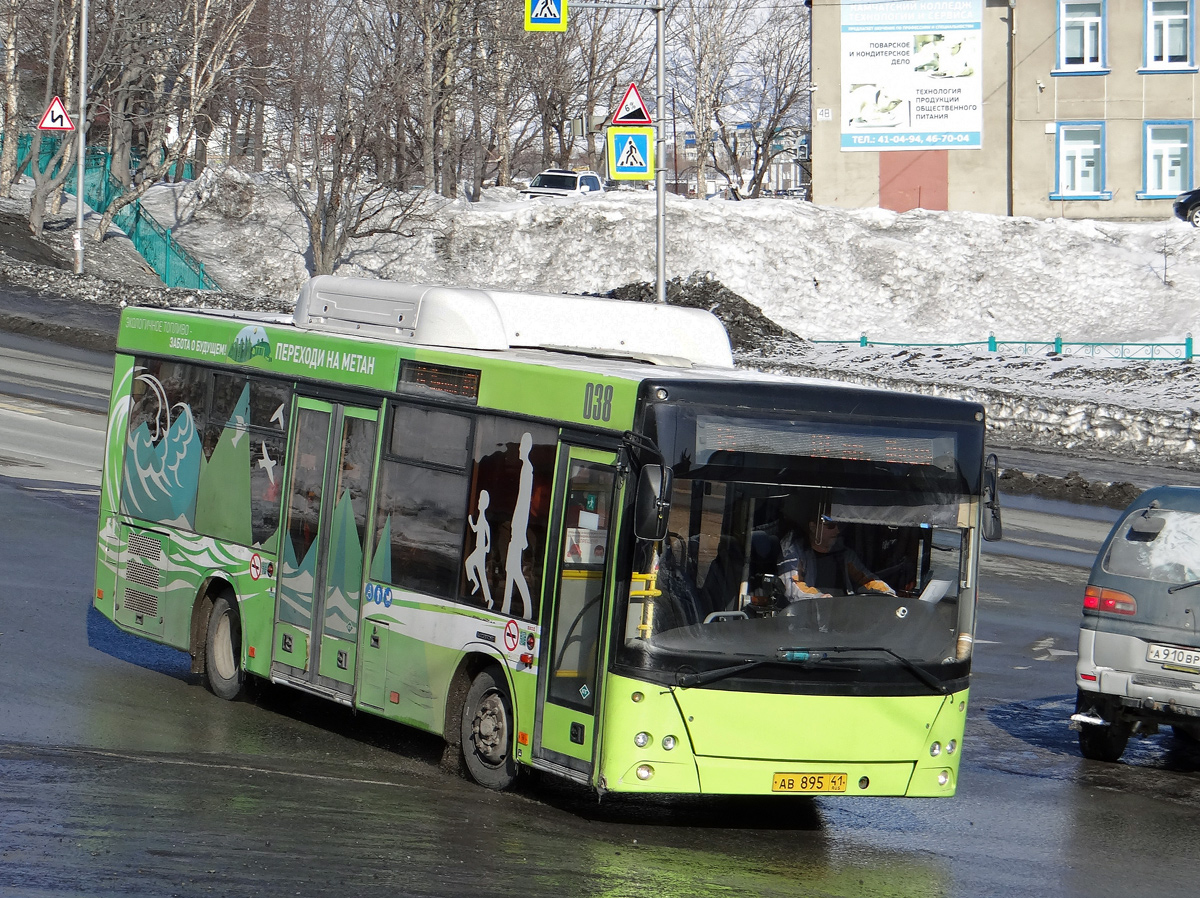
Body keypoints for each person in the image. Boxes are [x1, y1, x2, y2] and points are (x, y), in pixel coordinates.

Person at [777, 501, 895, 601]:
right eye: (830, 525)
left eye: (839, 525)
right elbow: (792, 586)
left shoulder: (845, 555)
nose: (837, 531)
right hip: (809, 616)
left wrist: (888, 592)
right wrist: (820, 598)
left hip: (843, 617)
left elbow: (866, 579)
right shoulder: (796, 551)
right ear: (813, 527)